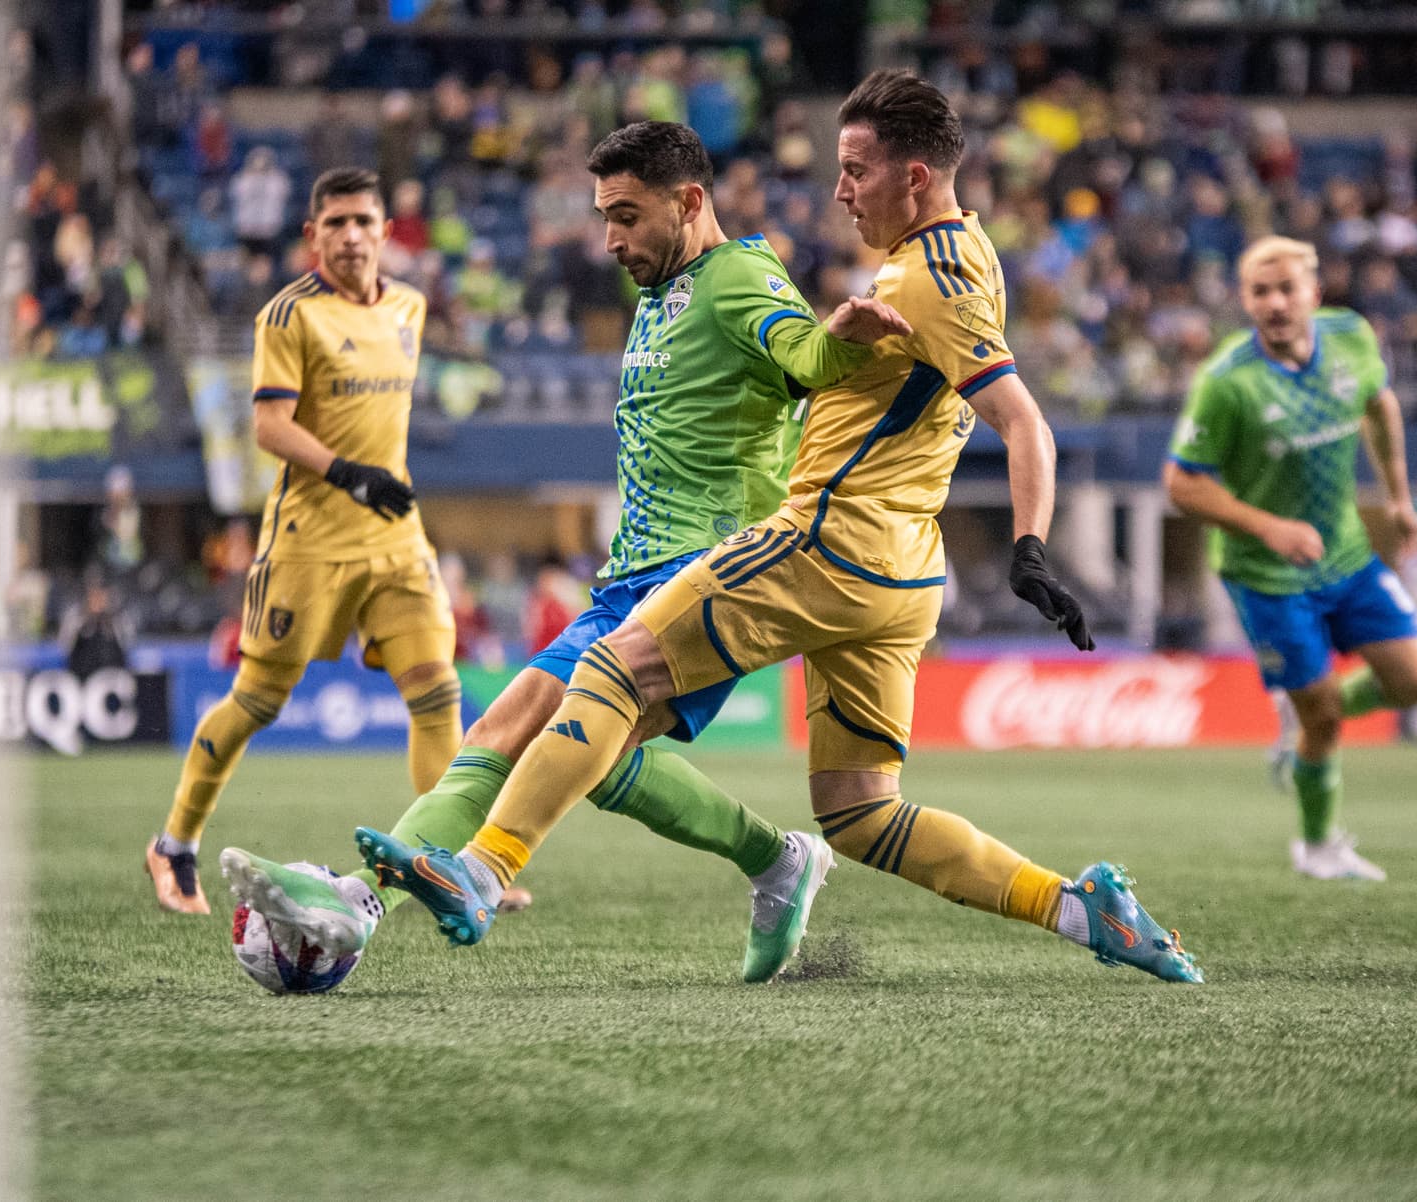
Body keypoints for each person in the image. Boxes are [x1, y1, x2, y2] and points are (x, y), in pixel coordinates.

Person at [354, 73, 1203, 985]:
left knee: (610, 667)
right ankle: (1079, 909)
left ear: (915, 177)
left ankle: (482, 872)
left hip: (828, 540)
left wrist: (1030, 548)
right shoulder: (973, 255)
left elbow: (1025, 421)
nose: (839, 189)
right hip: (905, 575)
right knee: (863, 816)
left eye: (855, 169)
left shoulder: (928, 274)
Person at [219, 121, 912, 983]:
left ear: (690, 201)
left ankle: (359, 900)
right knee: (594, 757)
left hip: (707, 575)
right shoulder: (664, 288)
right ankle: (776, 859)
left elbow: (803, 356)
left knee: (520, 725)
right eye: (602, 217)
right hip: (633, 571)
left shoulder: (738, 275)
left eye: (626, 216)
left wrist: (841, 334)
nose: (610, 239)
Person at [145, 168, 466, 915]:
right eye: (336, 223)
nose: (351, 235)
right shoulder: (287, 315)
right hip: (308, 541)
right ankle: (175, 845)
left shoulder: (410, 309)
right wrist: (350, 474)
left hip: (396, 536)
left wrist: (376, 481)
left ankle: (447, 861)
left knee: (438, 693)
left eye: (363, 221)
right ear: (311, 235)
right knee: (255, 701)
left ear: (388, 232)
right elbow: (268, 426)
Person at [1164, 235, 1417, 882]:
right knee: (1321, 712)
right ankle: (1317, 847)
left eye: (1287, 289)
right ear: (1245, 301)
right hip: (1268, 575)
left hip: (1346, 555)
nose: (1276, 302)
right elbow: (1182, 485)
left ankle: (1302, 715)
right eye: (1261, 292)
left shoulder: (1350, 336)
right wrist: (1269, 528)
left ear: (1314, 294)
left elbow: (1380, 407)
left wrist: (1399, 501)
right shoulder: (1227, 384)